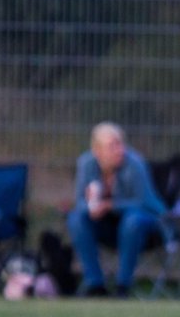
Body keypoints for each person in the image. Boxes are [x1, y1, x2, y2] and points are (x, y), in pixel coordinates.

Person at [67, 122, 166, 298]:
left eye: (120, 144)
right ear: (97, 150)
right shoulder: (86, 164)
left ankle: (123, 285)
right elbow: (79, 202)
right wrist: (91, 207)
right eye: (112, 146)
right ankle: (95, 285)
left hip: (143, 228)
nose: (119, 150)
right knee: (76, 219)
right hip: (107, 228)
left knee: (132, 220)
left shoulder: (135, 164)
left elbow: (144, 203)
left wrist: (111, 205)